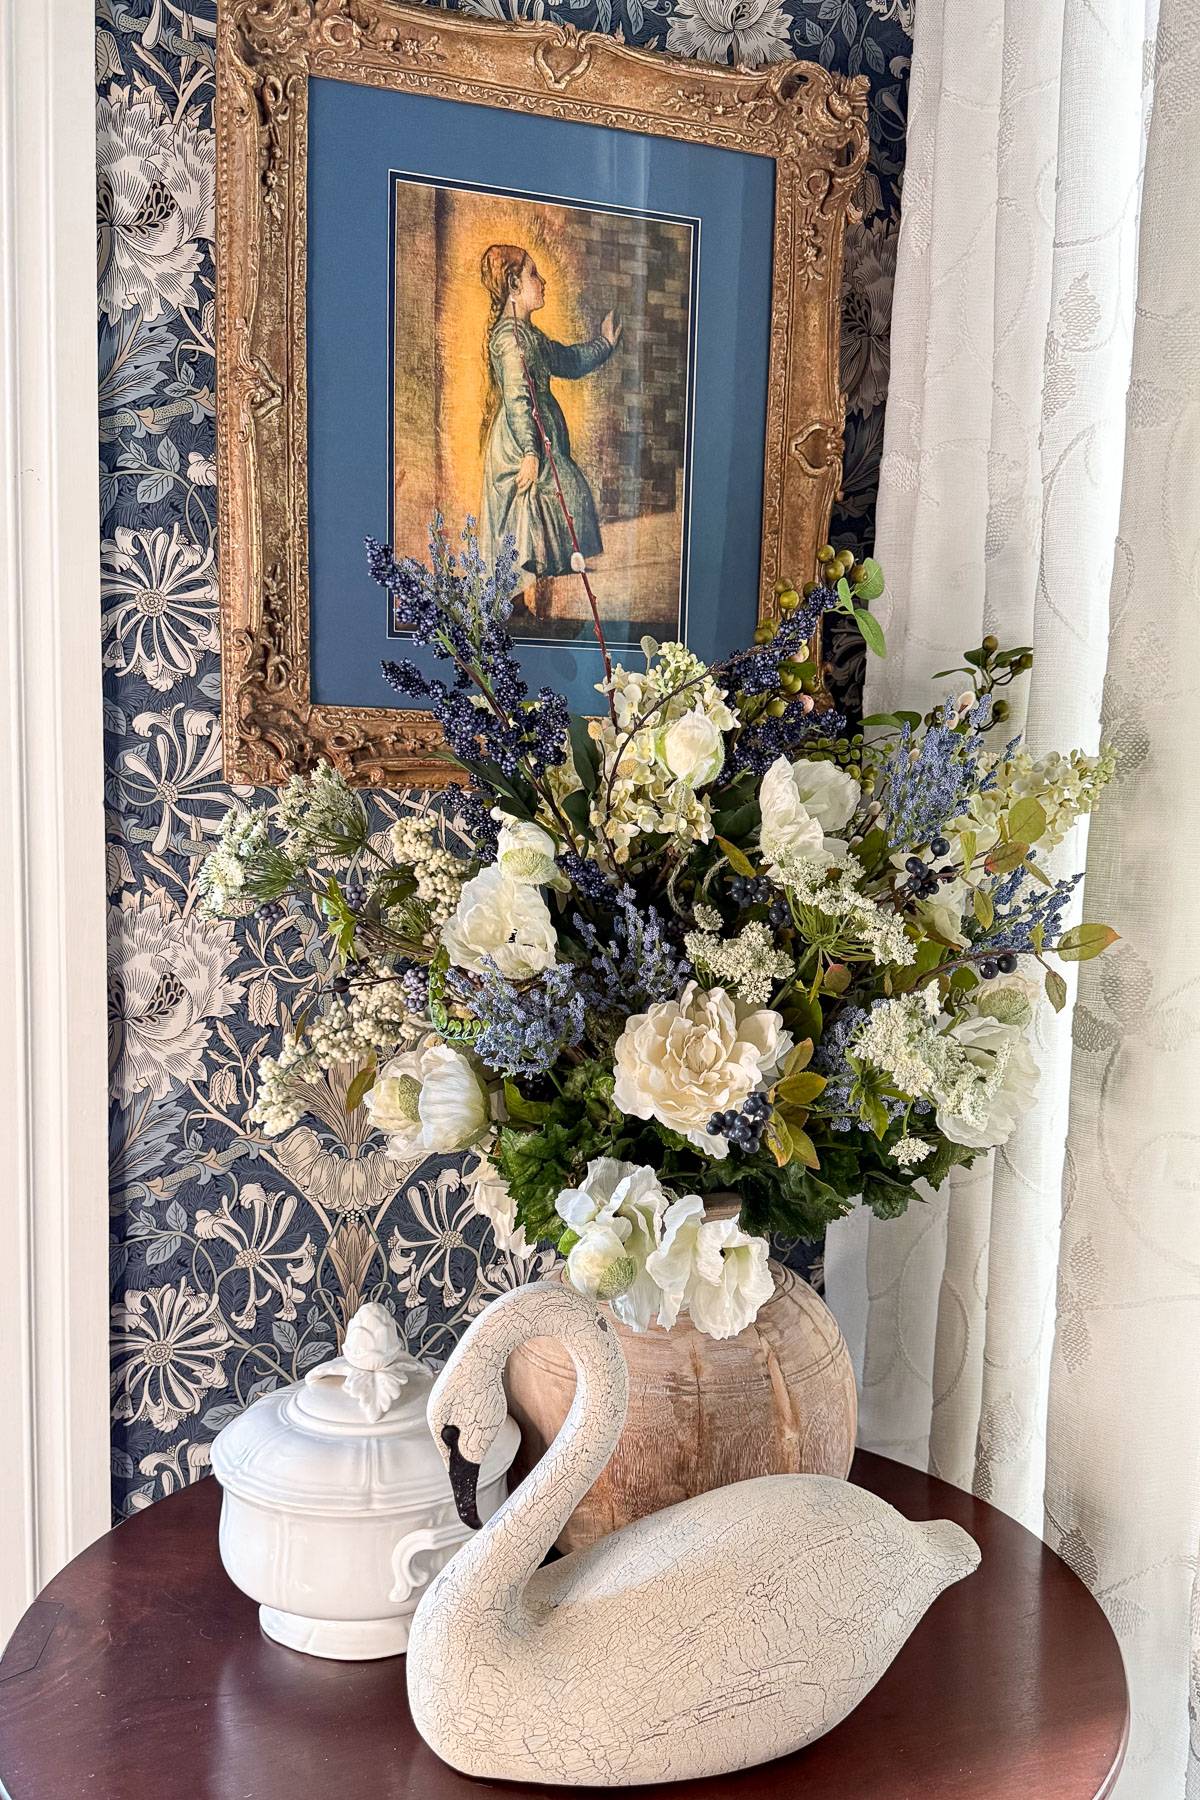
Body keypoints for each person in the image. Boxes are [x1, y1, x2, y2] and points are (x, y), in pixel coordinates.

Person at [478, 243, 622, 623]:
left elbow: (569, 361)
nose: (542, 282)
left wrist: (605, 344)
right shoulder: (509, 339)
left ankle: (529, 607)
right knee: (531, 516)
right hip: (520, 441)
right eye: (533, 275)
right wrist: (529, 451)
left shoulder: (530, 335)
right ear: (512, 284)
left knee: (561, 502)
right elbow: (517, 398)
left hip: (540, 439)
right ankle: (516, 609)